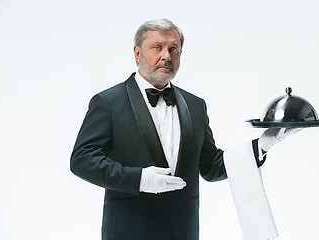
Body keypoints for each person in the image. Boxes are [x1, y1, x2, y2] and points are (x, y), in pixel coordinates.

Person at [70, 18, 297, 240]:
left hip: (183, 231)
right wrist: (138, 179)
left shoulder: (196, 105)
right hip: (130, 230)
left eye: (173, 49)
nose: (166, 56)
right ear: (137, 53)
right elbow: (81, 160)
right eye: (157, 47)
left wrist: (262, 146)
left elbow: (210, 166)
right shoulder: (108, 102)